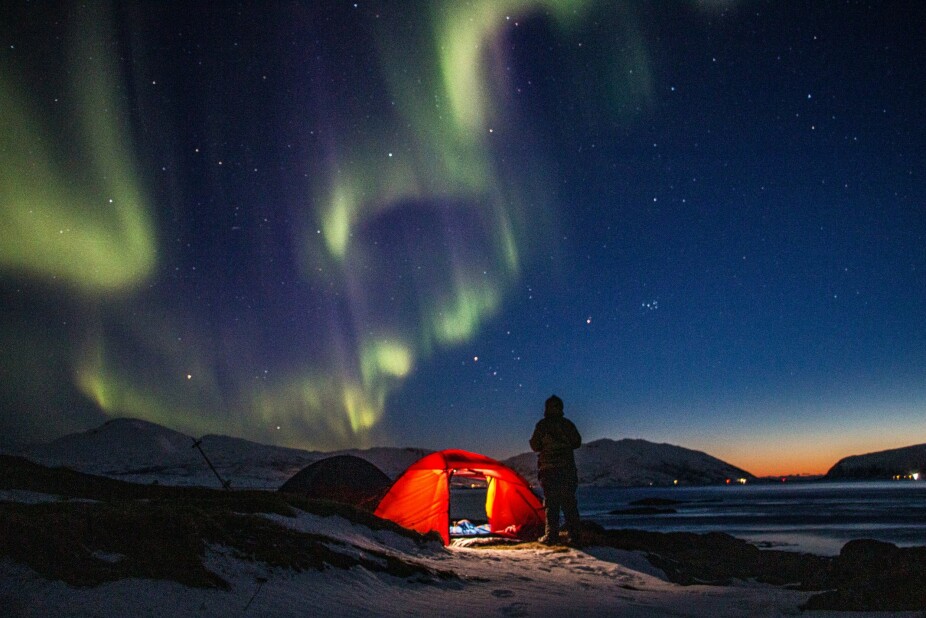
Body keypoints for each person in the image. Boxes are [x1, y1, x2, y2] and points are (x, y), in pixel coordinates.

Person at [529, 394, 582, 545]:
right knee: (569, 503)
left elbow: (534, 445)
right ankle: (575, 537)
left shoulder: (542, 425)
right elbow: (577, 442)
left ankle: (551, 536)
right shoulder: (567, 424)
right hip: (567, 469)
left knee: (551, 505)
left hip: (549, 470)